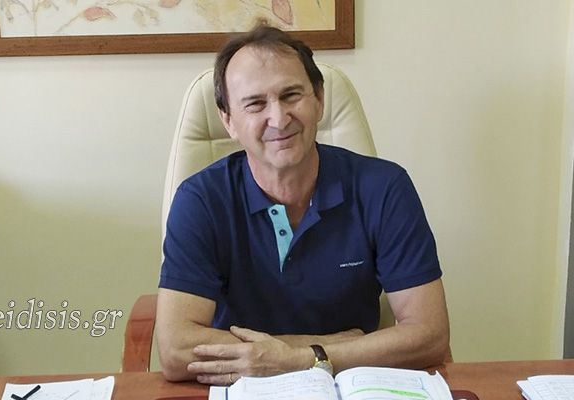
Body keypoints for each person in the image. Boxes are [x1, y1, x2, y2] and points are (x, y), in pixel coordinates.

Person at [156, 25, 450, 385]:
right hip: (243, 385)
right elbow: (176, 351)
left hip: (349, 385)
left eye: (291, 95)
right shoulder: (200, 200)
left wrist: (297, 358)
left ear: (319, 100)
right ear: (228, 120)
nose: (279, 119)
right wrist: (327, 347)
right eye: (256, 104)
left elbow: (430, 335)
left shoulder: (385, 187)